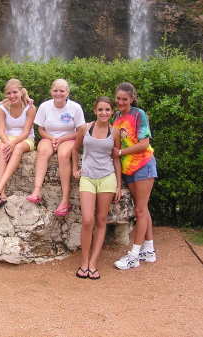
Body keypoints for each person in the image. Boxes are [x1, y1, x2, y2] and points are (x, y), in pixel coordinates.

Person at [72, 97, 122, 280]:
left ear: (111, 112)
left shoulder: (115, 132)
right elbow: (75, 149)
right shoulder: (85, 128)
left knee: (101, 220)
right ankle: (83, 262)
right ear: (94, 110)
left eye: (107, 110)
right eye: (100, 109)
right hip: (87, 177)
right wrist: (75, 169)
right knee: (87, 220)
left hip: (107, 178)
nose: (104, 113)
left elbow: (116, 157)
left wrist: (119, 184)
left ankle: (93, 263)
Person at [112, 82, 158, 270]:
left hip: (143, 165)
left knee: (140, 211)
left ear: (132, 99)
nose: (121, 102)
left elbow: (144, 143)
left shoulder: (139, 115)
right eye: (119, 98)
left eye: (125, 99)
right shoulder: (116, 116)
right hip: (128, 169)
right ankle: (149, 250)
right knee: (143, 209)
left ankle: (134, 255)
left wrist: (121, 153)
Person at [26, 79, 85, 216]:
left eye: (62, 91)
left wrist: (62, 139)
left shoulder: (75, 107)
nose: (58, 93)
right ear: (51, 91)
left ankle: (65, 200)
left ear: (67, 92)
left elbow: (80, 131)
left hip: (69, 138)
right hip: (49, 137)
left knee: (63, 155)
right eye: (55, 90)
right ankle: (37, 190)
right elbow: (40, 129)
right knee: (42, 151)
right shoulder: (45, 106)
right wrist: (51, 138)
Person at [0, 79, 36, 207]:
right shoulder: (2, 108)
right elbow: (1, 131)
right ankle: (2, 193)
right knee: (2, 147)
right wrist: (7, 143)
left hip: (25, 139)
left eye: (15, 92)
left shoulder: (30, 108)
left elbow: (26, 132)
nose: (12, 96)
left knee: (18, 148)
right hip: (7, 137)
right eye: (9, 93)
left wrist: (13, 143)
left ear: (21, 92)